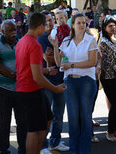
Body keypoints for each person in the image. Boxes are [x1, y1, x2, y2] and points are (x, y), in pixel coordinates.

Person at [15, 13, 66, 154]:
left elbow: (30, 69)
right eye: (46, 24)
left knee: (47, 120)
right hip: (30, 90)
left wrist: (47, 70)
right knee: (34, 129)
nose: (48, 27)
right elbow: (36, 76)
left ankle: (37, 150)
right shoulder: (34, 44)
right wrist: (55, 88)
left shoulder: (22, 41)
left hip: (29, 89)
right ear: (40, 26)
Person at [52, 13, 98, 154]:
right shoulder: (66, 41)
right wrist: (55, 47)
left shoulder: (91, 40)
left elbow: (92, 62)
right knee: (72, 118)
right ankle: (74, 150)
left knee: (85, 117)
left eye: (83, 22)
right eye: (78, 23)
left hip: (87, 83)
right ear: (73, 25)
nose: (81, 25)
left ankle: (84, 150)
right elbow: (59, 63)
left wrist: (71, 65)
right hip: (70, 81)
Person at [0, 20, 27, 154]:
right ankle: (3, 149)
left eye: (14, 30)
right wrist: (13, 75)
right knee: (4, 122)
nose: (13, 33)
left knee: (22, 121)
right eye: (9, 31)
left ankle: (23, 148)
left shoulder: (21, 43)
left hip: (21, 89)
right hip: (4, 89)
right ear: (2, 32)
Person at [37, 11, 69, 152]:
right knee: (45, 115)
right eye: (46, 21)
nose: (49, 23)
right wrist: (52, 59)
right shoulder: (41, 39)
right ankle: (43, 145)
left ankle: (55, 141)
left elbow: (60, 58)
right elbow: (47, 59)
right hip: (46, 82)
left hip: (60, 79)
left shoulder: (60, 35)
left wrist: (55, 58)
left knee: (59, 114)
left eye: (51, 20)